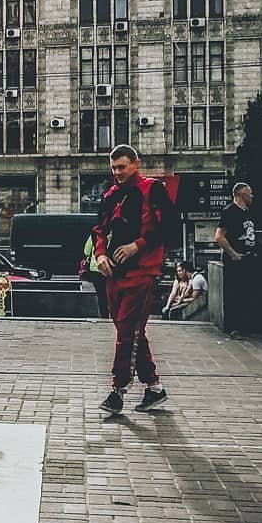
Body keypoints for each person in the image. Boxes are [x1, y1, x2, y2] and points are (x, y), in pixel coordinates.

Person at [93, 145, 170, 415]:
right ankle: (154, 387)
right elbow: (99, 229)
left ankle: (118, 391)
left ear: (136, 164)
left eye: (122, 167)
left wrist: (137, 246)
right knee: (131, 331)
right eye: (113, 168)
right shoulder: (110, 194)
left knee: (128, 331)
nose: (117, 172)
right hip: (114, 273)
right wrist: (100, 254)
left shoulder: (153, 189)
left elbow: (167, 226)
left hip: (142, 271)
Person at [215, 182, 256, 261]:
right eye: (250, 194)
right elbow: (219, 236)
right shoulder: (229, 211)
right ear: (243, 195)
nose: (252, 196)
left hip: (249, 256)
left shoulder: (248, 211)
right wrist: (233, 254)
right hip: (236, 260)